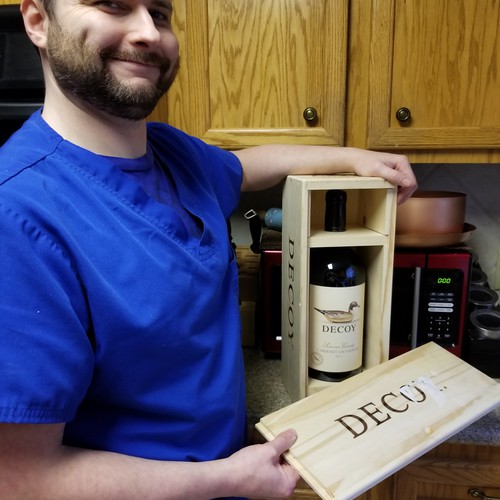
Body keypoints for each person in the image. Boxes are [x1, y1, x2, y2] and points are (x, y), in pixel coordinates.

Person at [0, 0, 417, 498]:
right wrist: (228, 478)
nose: (148, 32)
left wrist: (355, 157)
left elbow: (248, 166)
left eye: (159, 13)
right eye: (113, 5)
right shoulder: (18, 217)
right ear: (38, 21)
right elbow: (22, 478)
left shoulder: (172, 153)